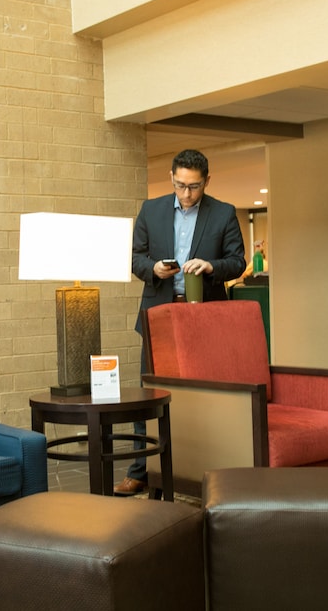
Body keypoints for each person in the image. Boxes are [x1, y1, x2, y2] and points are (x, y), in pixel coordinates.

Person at [114, 148, 247, 496]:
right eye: (180, 185)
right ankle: (141, 470)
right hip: (159, 312)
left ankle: (207, 470)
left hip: (204, 318)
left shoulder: (224, 213)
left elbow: (237, 261)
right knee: (150, 393)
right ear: (172, 177)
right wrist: (154, 269)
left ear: (206, 181)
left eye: (194, 187)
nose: (186, 194)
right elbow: (135, 257)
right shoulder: (151, 209)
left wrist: (211, 267)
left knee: (204, 396)